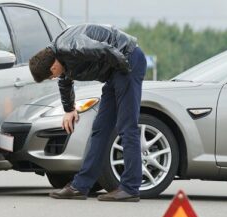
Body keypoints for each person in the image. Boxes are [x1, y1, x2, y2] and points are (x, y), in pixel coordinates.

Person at [29, 24, 147, 202]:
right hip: (115, 71)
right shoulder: (59, 55)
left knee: (126, 126)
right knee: (100, 129)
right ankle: (80, 186)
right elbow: (65, 81)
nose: (54, 78)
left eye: (50, 76)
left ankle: (130, 188)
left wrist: (125, 70)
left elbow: (104, 49)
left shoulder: (72, 47)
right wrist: (69, 110)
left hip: (127, 62)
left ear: (53, 67)